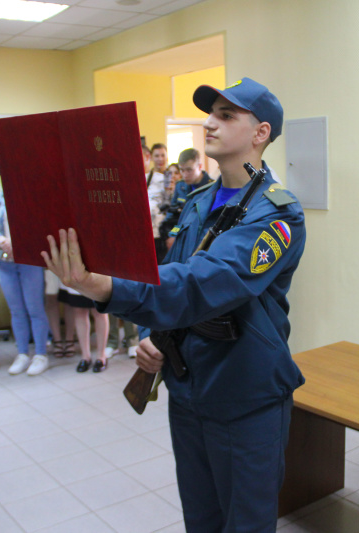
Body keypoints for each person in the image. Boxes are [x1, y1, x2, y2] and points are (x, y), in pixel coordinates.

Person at [43, 78, 306, 532]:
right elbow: (170, 271)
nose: (210, 123)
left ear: (260, 132)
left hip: (245, 393)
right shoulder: (198, 202)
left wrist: (108, 288)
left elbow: (202, 285)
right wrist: (150, 337)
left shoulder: (278, 214)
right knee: (200, 518)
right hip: (188, 387)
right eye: (211, 113)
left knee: (245, 523)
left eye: (226, 115)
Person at [0, 191, 50, 376]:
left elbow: (42, 222)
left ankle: (41, 354)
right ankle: (22, 354)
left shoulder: (29, 194)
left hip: (29, 260)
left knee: (35, 308)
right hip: (5, 261)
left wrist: (21, 240)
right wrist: (0, 240)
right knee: (16, 310)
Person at [163, 147, 214, 250]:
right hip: (179, 238)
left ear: (199, 166)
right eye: (182, 170)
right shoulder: (180, 186)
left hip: (199, 241)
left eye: (189, 170)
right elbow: (172, 214)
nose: (185, 174)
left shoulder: (212, 188)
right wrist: (171, 235)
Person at [58, 286, 110, 373]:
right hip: (76, 276)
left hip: (97, 276)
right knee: (79, 311)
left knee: (99, 311)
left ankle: (101, 356)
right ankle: (85, 356)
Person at [143, 145, 168, 263]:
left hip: (162, 232)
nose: (160, 159)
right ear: (151, 158)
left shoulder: (169, 177)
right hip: (148, 231)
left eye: (163, 155)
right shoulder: (147, 177)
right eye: (157, 156)